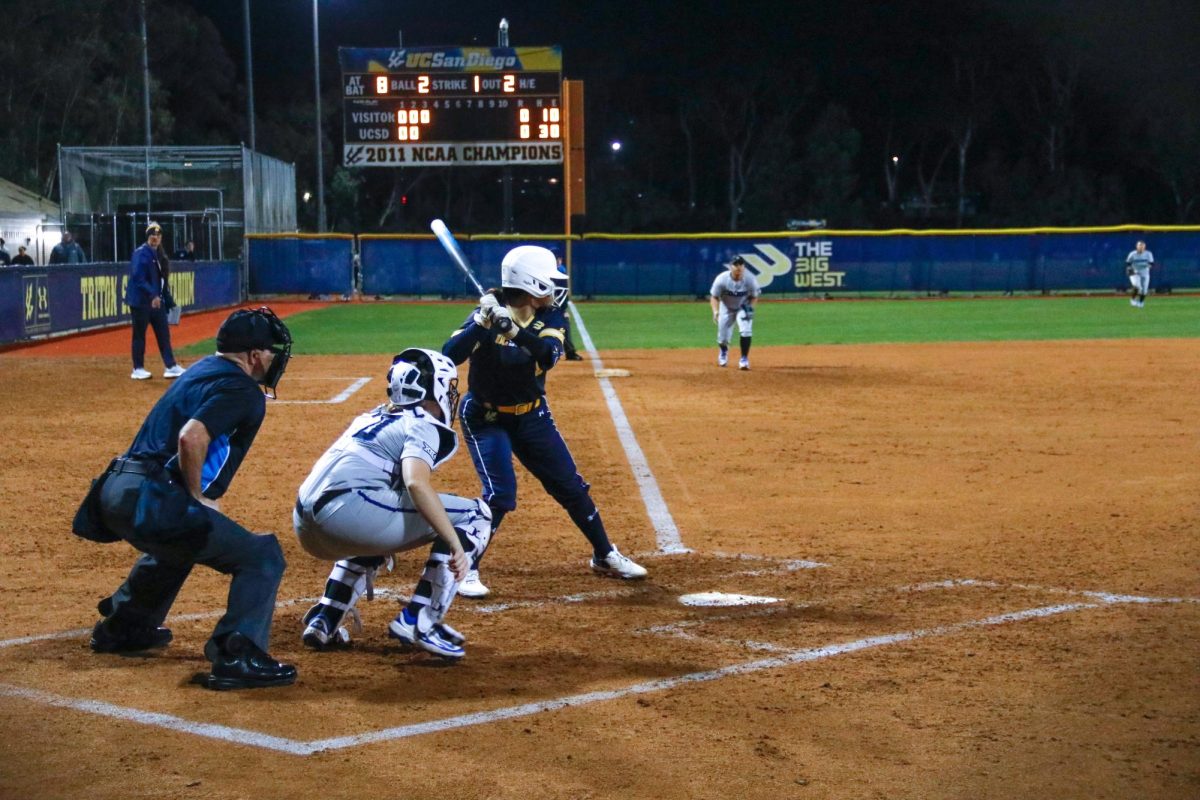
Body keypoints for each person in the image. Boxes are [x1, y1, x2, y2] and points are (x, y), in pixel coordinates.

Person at [72, 307, 297, 690]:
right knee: (262, 556)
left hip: (114, 492)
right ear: (254, 355)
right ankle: (237, 654)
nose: (277, 358)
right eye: (272, 351)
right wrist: (196, 498)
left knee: (181, 541)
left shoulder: (198, 371)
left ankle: (125, 627)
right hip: (151, 496)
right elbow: (192, 437)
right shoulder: (243, 390)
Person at [444, 245, 647, 599]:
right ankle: (467, 566)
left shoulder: (552, 317)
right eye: (548, 281)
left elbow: (544, 355)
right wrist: (479, 324)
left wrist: (507, 327)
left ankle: (604, 554)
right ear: (531, 282)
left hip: (531, 415)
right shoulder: (486, 310)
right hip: (486, 418)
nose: (553, 288)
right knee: (500, 494)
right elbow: (449, 356)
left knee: (570, 486)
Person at [294, 349, 491, 659]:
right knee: (476, 515)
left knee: (380, 513)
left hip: (305, 522)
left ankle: (325, 616)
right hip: (349, 514)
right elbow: (415, 482)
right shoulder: (422, 423)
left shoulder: (371, 416)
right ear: (434, 388)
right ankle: (420, 620)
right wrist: (454, 543)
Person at [126, 222, 185, 380]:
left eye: (158, 235)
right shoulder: (141, 253)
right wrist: (153, 295)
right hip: (141, 302)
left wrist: (169, 301)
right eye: (152, 235)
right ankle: (137, 368)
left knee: (163, 333)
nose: (155, 238)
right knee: (139, 335)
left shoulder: (159, 254)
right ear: (148, 237)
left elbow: (162, 281)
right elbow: (138, 278)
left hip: (156, 302)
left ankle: (170, 365)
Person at [710, 255, 761, 370]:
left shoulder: (750, 279)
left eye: (741, 264)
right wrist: (716, 311)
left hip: (743, 307)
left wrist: (750, 309)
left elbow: (754, 297)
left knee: (746, 331)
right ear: (730, 267)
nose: (738, 267)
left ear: (744, 267)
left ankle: (744, 359)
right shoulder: (722, 279)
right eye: (736, 265)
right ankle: (723, 351)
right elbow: (714, 297)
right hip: (726, 307)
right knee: (722, 338)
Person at [555, 255, 584, 361]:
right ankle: (569, 352)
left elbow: (562, 294)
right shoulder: (554, 272)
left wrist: (562, 309)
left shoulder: (561, 269)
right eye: (557, 258)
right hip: (548, 306)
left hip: (555, 306)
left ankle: (570, 352)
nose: (559, 260)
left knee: (564, 326)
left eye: (559, 258)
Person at [1125, 240, 1154, 308]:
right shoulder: (1132, 254)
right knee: (1137, 286)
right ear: (1137, 246)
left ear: (1144, 247)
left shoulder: (1148, 254)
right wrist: (1130, 270)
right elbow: (1127, 263)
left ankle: (1141, 303)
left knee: (1144, 290)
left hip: (1145, 273)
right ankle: (1133, 300)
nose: (1141, 247)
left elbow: (1152, 263)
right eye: (1139, 245)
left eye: (1142, 246)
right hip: (1135, 272)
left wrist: (1149, 266)